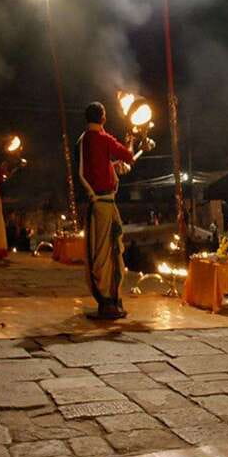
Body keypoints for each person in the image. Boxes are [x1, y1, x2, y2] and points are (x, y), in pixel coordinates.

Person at [78, 102, 135, 319]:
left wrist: (113, 166)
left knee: (104, 251)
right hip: (103, 203)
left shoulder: (84, 139)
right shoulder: (102, 138)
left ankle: (110, 299)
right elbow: (128, 155)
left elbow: (93, 167)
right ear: (102, 117)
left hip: (98, 202)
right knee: (106, 253)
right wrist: (131, 139)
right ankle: (107, 300)